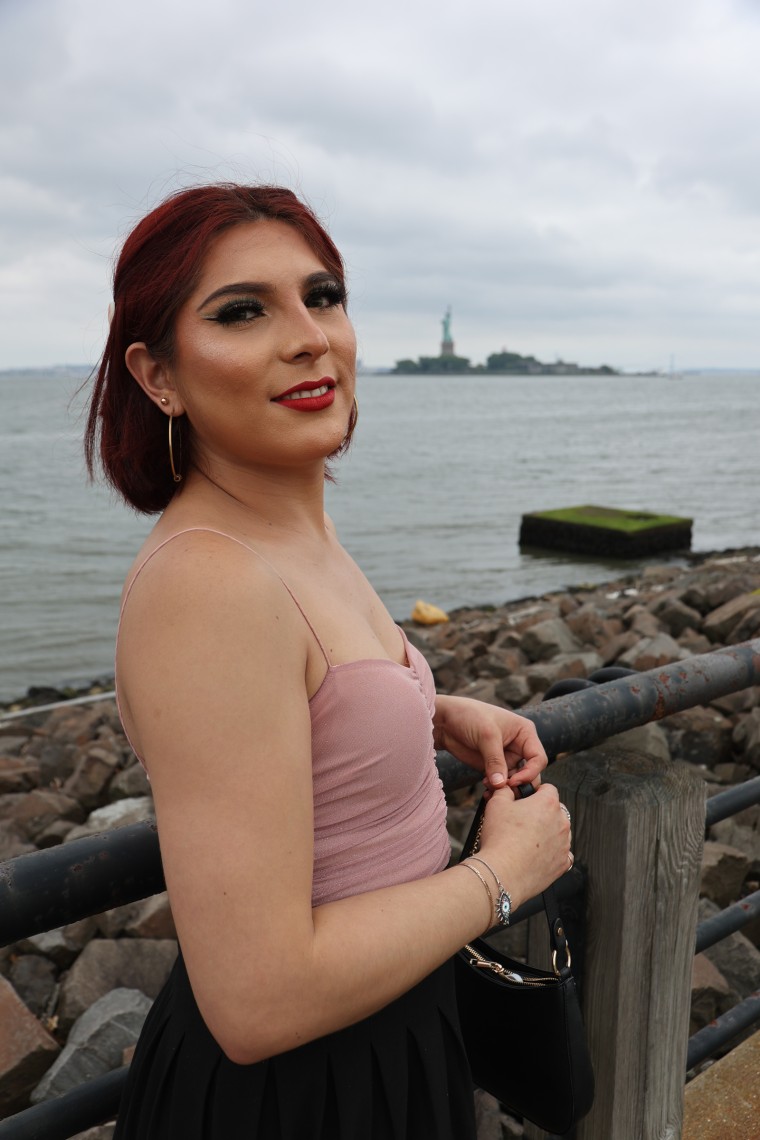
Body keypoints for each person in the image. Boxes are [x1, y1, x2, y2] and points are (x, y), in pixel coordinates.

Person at [85, 184, 572, 1140]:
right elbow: (258, 999)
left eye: (324, 296)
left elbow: (303, 682)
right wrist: (501, 877)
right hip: (301, 1094)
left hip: (389, 1032)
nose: (309, 336)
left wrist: (427, 707)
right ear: (158, 375)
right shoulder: (208, 585)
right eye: (241, 311)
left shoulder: (289, 525)